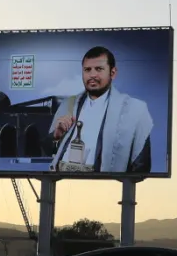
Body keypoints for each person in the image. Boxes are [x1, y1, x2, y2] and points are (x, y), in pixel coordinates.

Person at [49, 46, 153, 174]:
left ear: (113, 73)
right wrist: (56, 136)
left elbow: (141, 165)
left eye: (99, 69)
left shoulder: (134, 109)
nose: (92, 75)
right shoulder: (68, 104)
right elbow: (44, 153)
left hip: (105, 187)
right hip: (63, 181)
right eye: (87, 70)